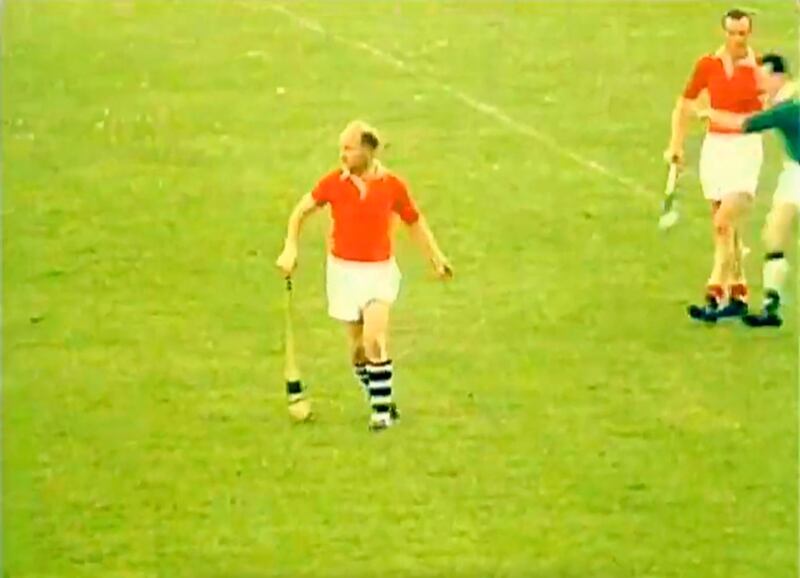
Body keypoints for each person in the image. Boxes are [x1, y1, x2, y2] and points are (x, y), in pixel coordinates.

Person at [275, 120, 453, 430]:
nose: (342, 155)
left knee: (374, 339)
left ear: (368, 150)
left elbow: (414, 221)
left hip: (378, 273)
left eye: (348, 148)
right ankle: (382, 399)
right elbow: (300, 211)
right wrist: (290, 247)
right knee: (358, 352)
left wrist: (435, 257)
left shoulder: (392, 185)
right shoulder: (333, 183)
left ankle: (380, 417)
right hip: (343, 273)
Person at [665, 8, 764, 322]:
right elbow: (684, 103)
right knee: (725, 226)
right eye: (733, 33)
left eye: (743, 33)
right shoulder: (708, 65)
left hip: (745, 151)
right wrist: (676, 144)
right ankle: (739, 291)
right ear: (724, 33)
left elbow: (767, 112)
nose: (738, 39)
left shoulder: (758, 70)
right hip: (716, 150)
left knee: (723, 221)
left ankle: (713, 291)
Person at [699, 54, 799, 327]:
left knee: (776, 233)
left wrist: (711, 114)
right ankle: (771, 305)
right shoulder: (786, 98)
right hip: (794, 171)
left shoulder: (788, 107)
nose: (760, 84)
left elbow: (745, 125)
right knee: (774, 234)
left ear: (779, 77)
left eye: (764, 79)